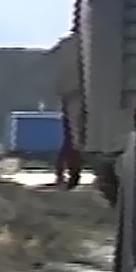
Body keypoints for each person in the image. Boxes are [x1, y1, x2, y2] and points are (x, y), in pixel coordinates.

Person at [51, 34, 85, 189]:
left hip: (70, 96)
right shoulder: (77, 45)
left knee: (70, 140)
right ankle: (70, 176)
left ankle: (66, 175)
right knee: (72, 140)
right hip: (77, 95)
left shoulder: (67, 48)